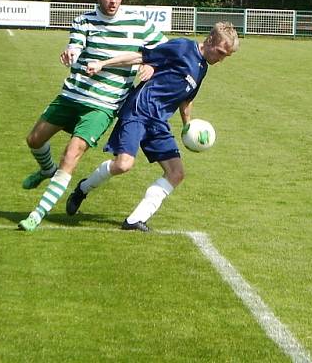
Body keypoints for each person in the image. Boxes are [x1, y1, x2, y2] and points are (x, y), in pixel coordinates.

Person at [17, 0, 165, 232]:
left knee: (71, 154)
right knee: (34, 140)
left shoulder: (138, 24)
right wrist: (70, 53)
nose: (113, 0)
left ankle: (36, 214)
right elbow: (75, 46)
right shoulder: (83, 21)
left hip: (102, 105)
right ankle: (46, 170)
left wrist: (152, 65)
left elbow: (166, 52)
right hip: (72, 95)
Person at [65, 21, 239, 232]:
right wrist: (103, 64)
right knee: (123, 165)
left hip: (158, 122)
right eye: (220, 53)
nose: (220, 59)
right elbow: (140, 56)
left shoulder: (202, 68)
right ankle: (83, 189)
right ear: (210, 40)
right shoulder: (183, 48)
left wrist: (188, 127)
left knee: (176, 173)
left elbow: (186, 100)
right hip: (139, 110)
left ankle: (135, 220)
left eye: (225, 57)